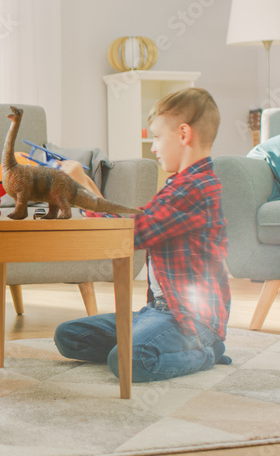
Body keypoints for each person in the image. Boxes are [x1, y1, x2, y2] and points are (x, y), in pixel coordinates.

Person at [54, 87, 231, 382]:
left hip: (189, 317)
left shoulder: (194, 189)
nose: (153, 147)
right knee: (69, 336)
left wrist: (79, 192)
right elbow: (126, 223)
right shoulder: (180, 186)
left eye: (157, 137)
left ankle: (208, 351)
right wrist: (84, 184)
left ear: (184, 134)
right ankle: (150, 343)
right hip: (157, 312)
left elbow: (128, 235)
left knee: (130, 361)